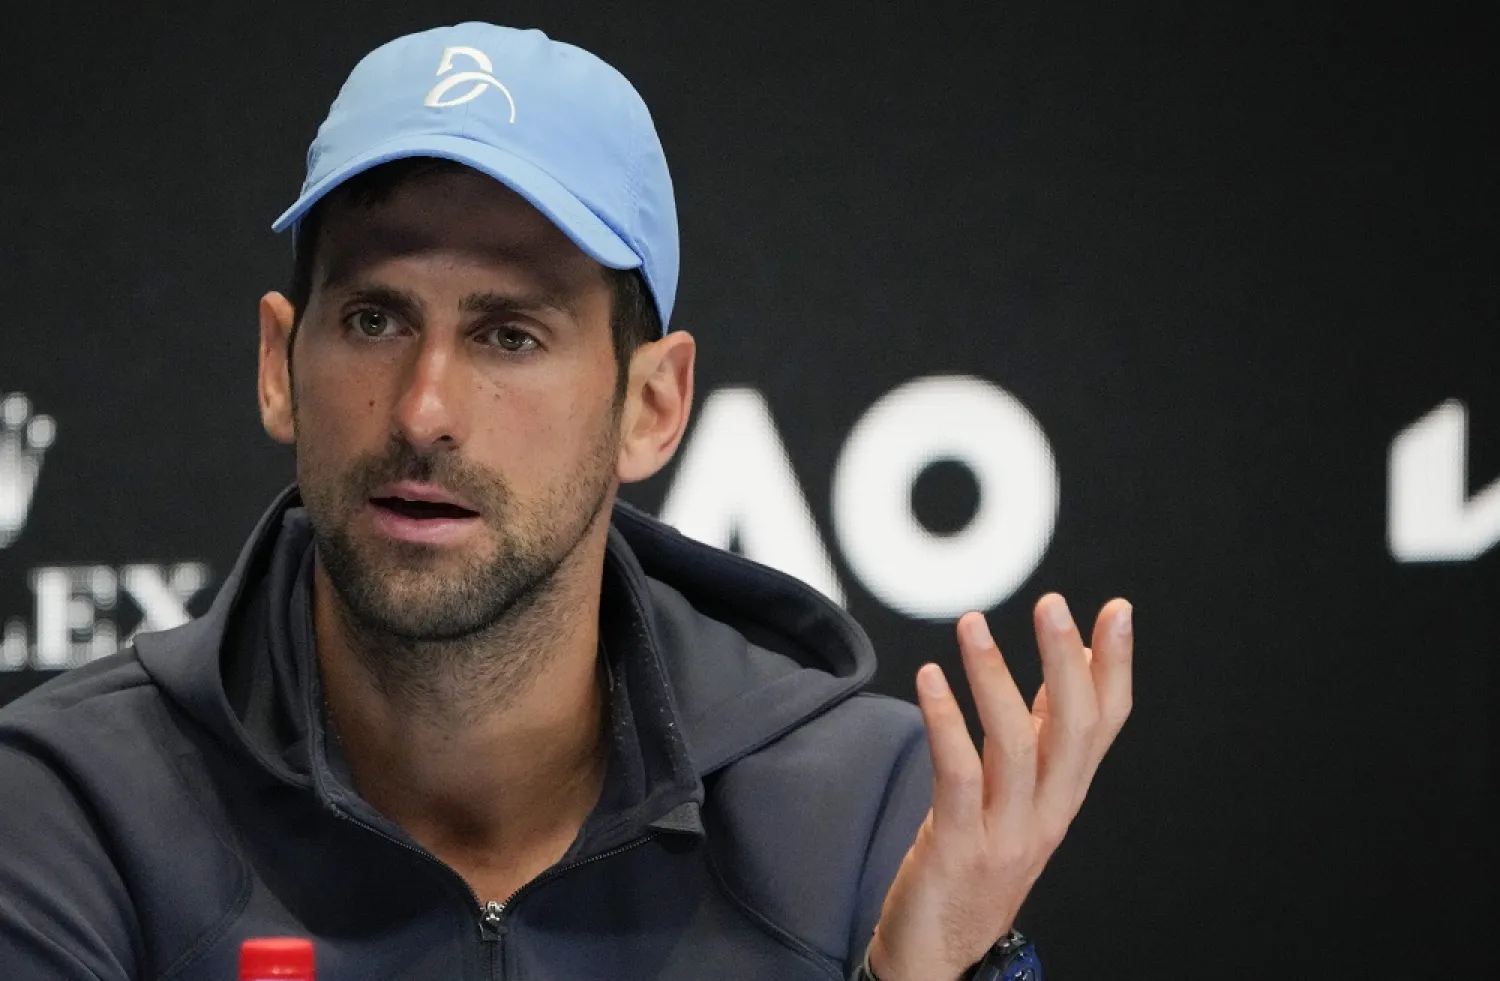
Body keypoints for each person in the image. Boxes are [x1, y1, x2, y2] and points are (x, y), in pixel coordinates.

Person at [0, 22, 1132, 981]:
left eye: (509, 335)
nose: (425, 408)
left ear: (652, 404)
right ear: (277, 364)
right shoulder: (69, 810)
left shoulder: (867, 818)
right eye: (375, 320)